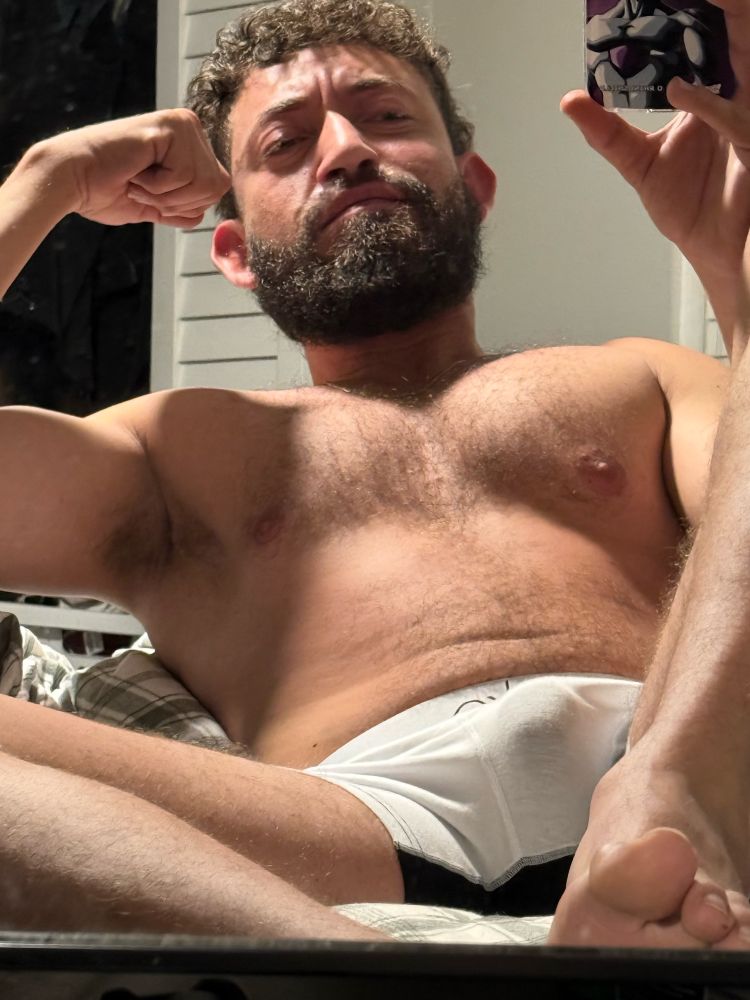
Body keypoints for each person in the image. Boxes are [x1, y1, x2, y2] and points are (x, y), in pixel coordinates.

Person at [0, 0, 748, 947]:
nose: (347, 150)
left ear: (474, 187)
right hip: (340, 836)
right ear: (235, 251)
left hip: (673, 772)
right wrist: (46, 180)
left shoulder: (639, 378)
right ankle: (375, 968)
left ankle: (665, 817)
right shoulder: (170, 447)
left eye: (387, 116)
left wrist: (735, 278)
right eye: (285, 145)